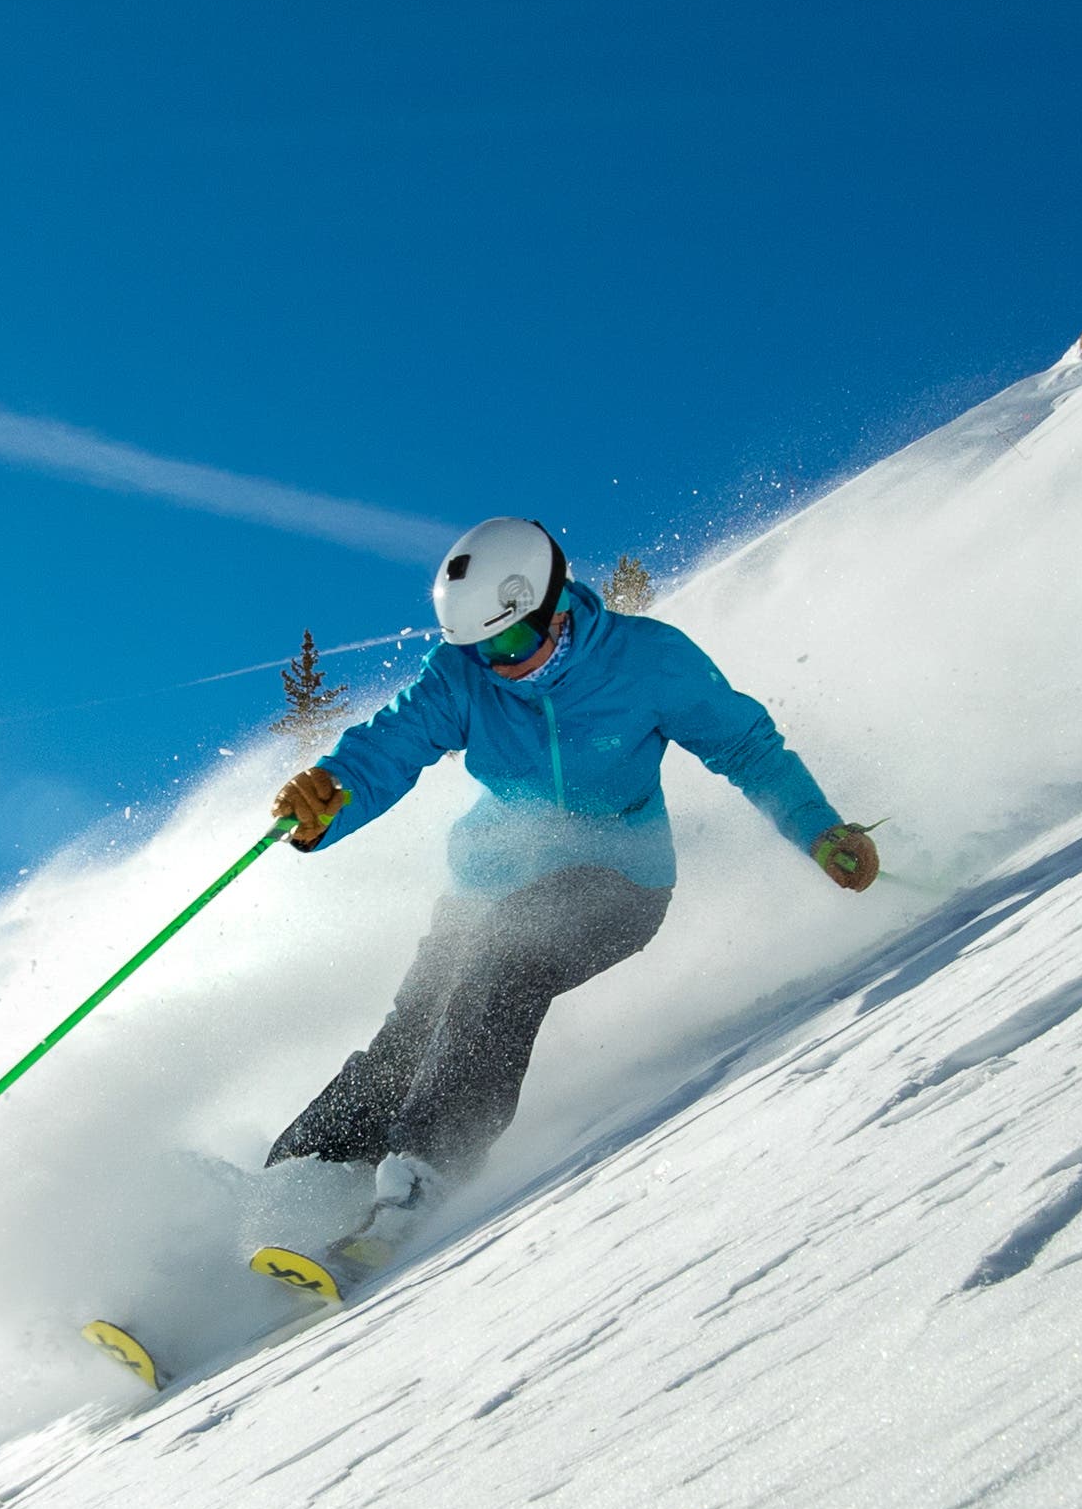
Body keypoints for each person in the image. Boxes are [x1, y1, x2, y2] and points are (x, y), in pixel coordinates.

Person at [267, 515, 875, 1220]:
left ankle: (428, 1166)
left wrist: (820, 831)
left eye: (513, 637)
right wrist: (327, 799)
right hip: (489, 880)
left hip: (621, 877)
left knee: (506, 957)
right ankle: (295, 1177)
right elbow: (389, 746)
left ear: (554, 603)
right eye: (481, 648)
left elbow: (746, 747)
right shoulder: (462, 676)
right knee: (410, 1033)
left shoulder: (648, 661)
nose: (503, 663)